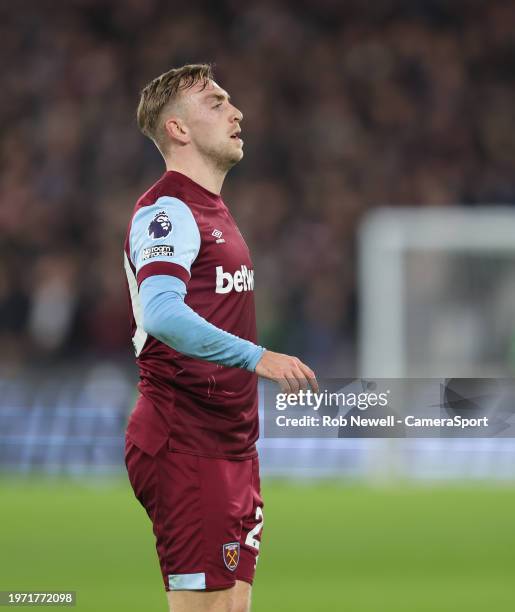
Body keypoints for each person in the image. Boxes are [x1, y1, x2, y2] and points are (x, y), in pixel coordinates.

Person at [123, 63, 318, 612]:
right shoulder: (168, 211)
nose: (236, 112)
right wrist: (259, 358)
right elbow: (161, 312)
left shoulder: (215, 211)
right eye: (216, 102)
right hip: (185, 441)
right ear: (178, 130)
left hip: (232, 447)